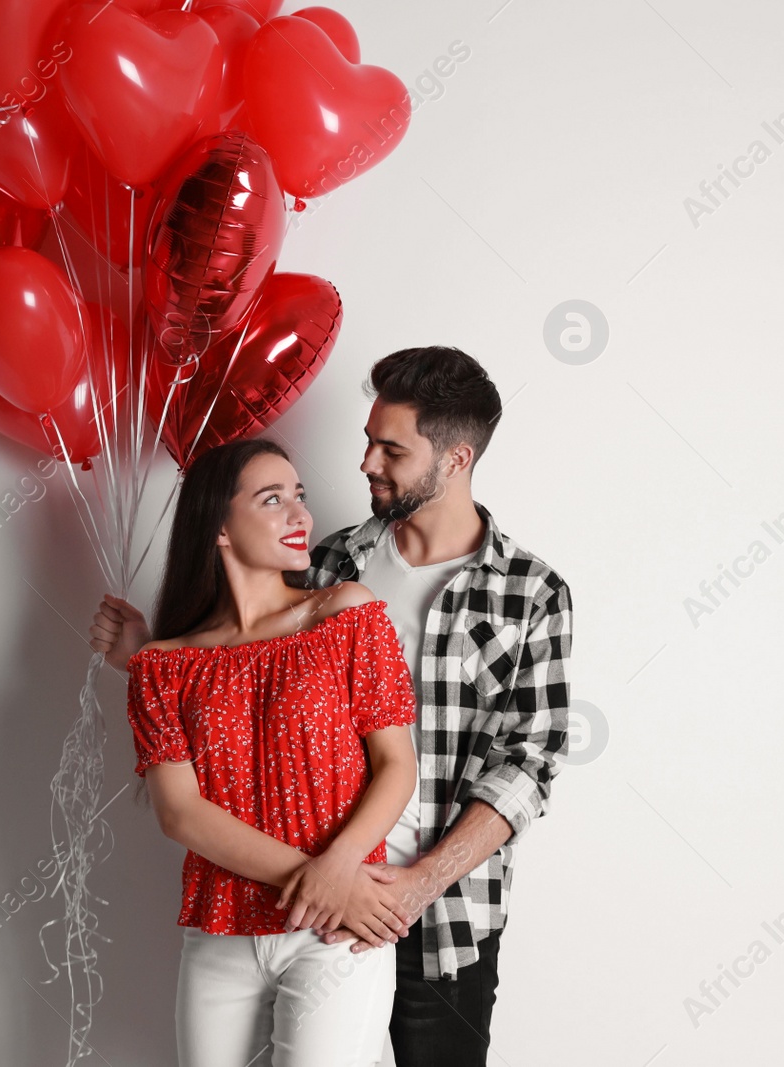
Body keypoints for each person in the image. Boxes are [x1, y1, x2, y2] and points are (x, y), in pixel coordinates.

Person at [94, 346, 574, 1067]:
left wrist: (415, 883)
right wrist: (147, 654)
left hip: (439, 908)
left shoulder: (529, 592)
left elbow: (528, 764)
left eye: (391, 448)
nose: (365, 464)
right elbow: (244, 664)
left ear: (455, 459)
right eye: (367, 440)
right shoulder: (325, 565)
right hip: (291, 891)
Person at [100, 436, 421, 1067]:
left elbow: (396, 765)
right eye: (272, 499)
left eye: (298, 496)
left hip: (334, 936)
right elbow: (180, 815)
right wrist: (322, 879)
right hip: (221, 934)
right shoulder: (162, 667)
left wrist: (340, 869)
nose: (300, 515)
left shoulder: (345, 615)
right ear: (217, 527)